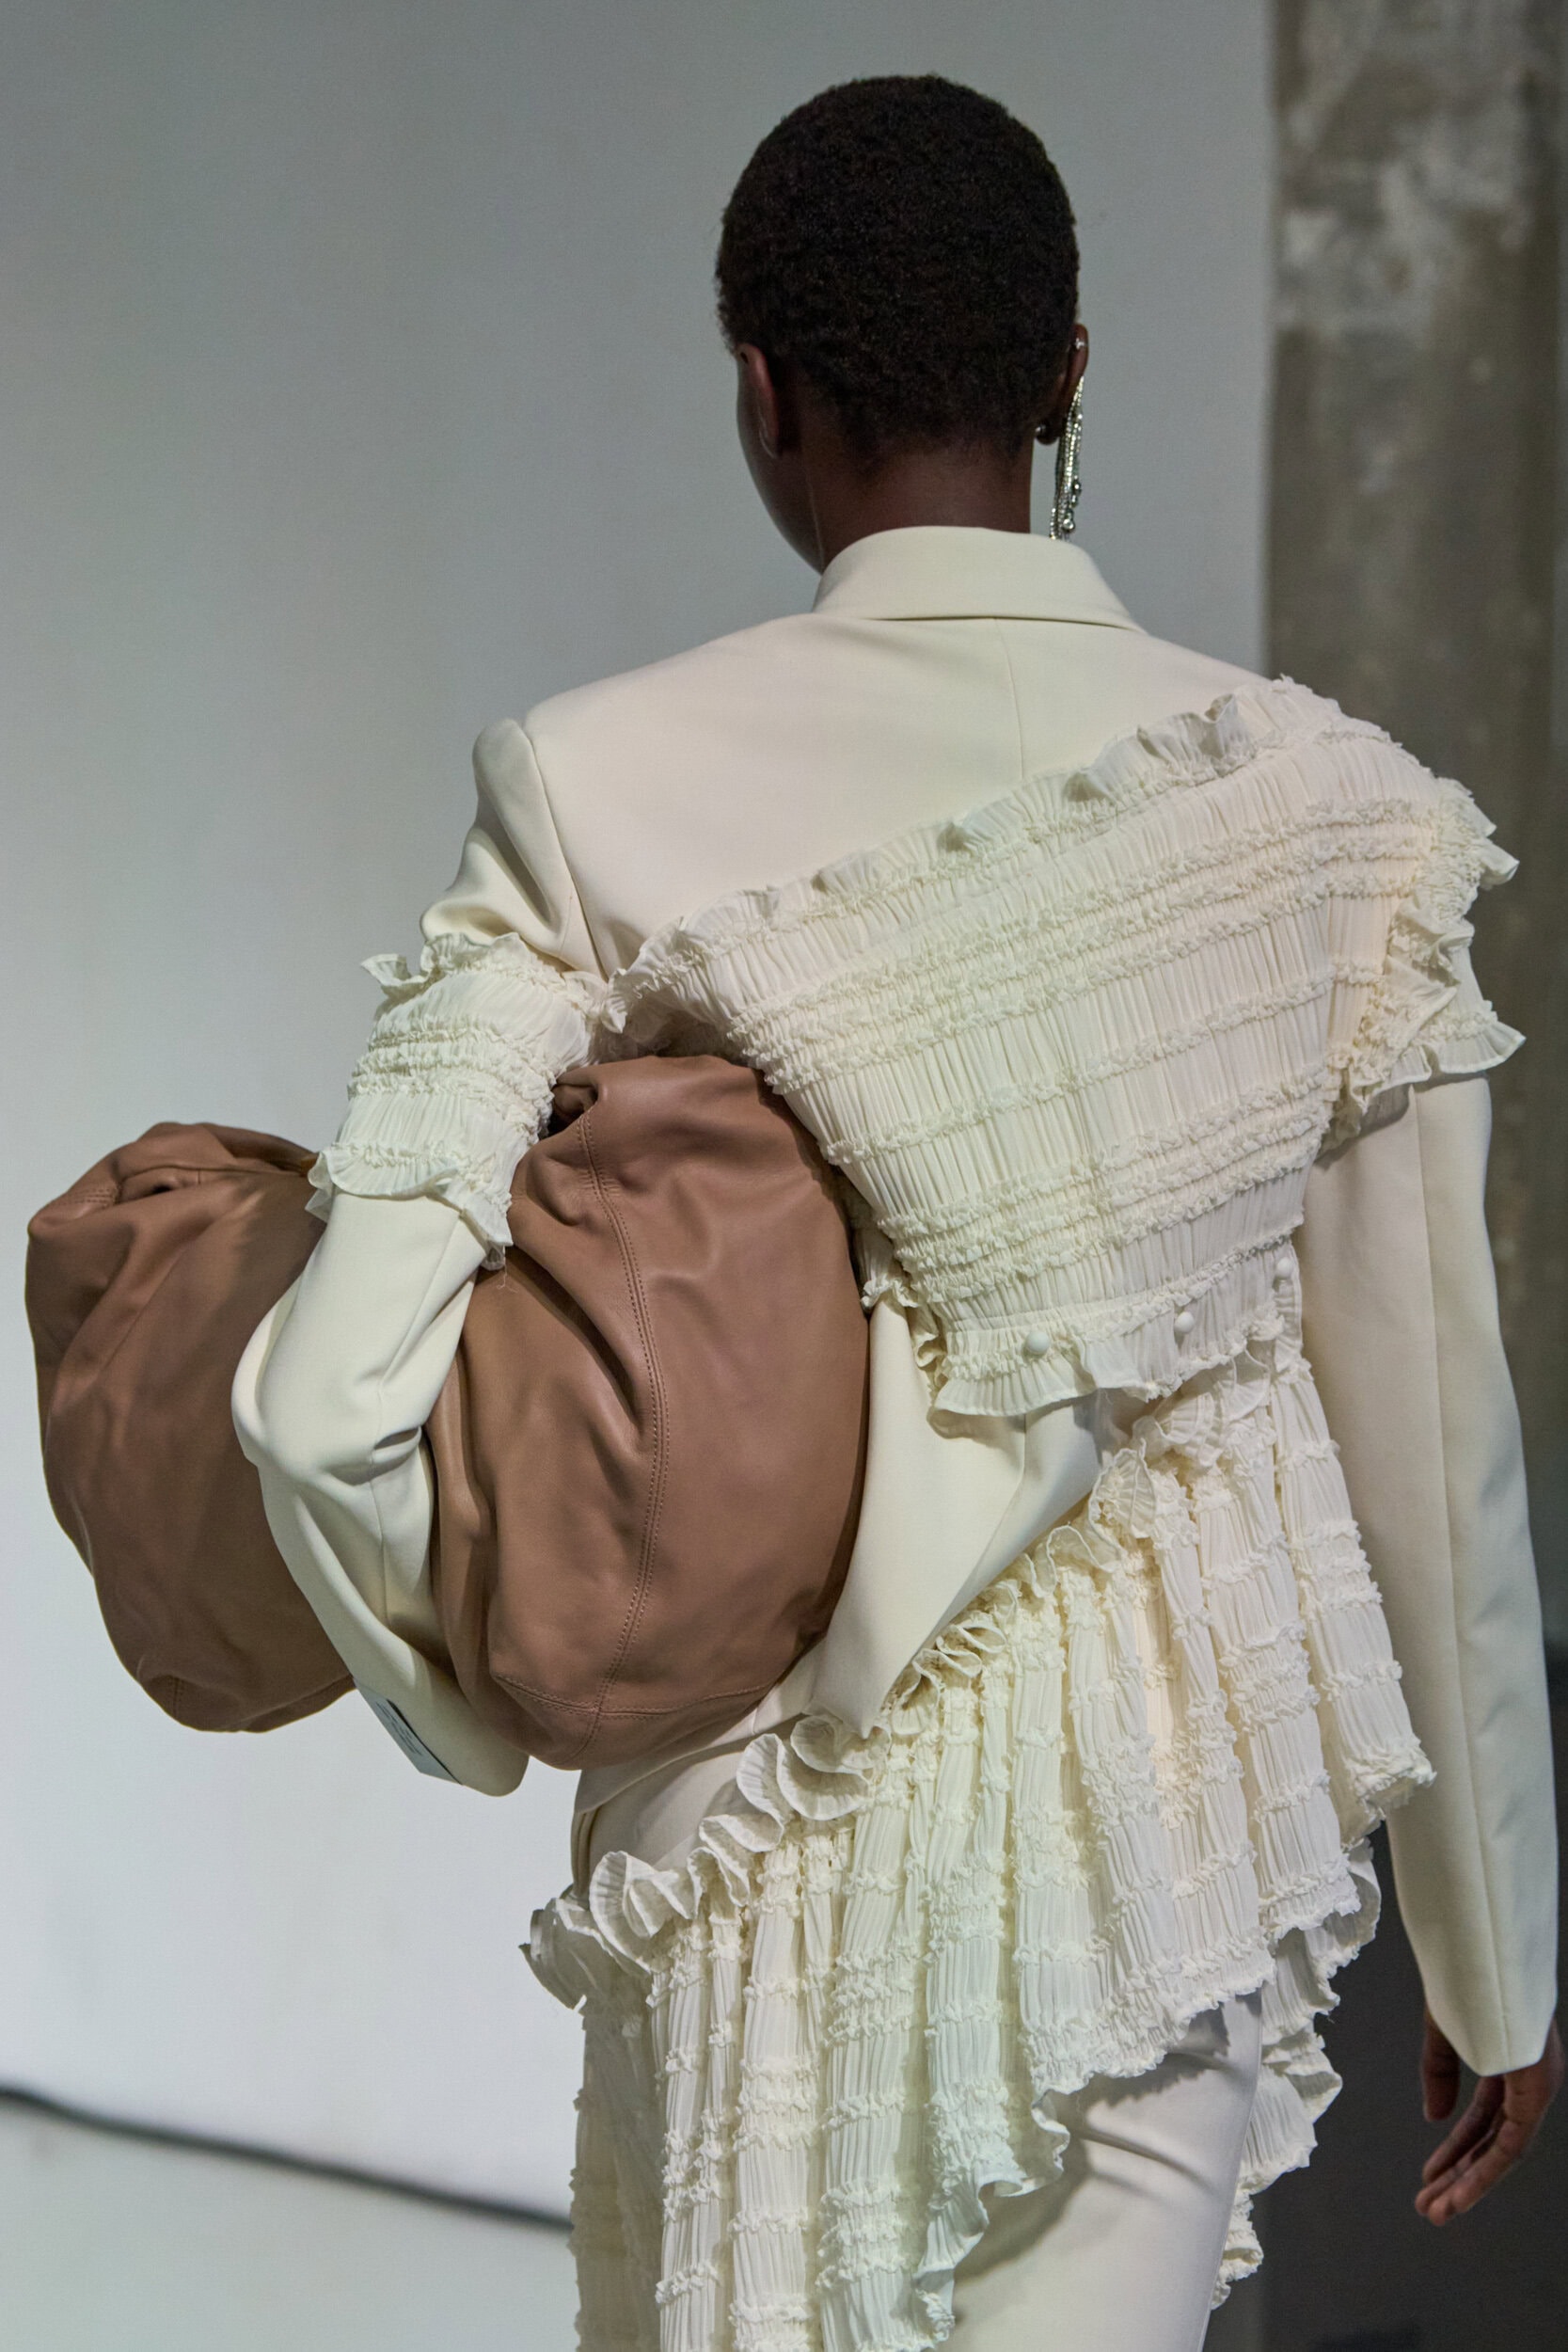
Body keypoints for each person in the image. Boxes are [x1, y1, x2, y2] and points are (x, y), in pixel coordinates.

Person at [233, 74, 1560, 2352]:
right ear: (1068, 378)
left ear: (765, 391)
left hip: (740, 1859)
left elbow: (318, 1409)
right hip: (1157, 1855)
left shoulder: (588, 787)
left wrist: (491, 1702)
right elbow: (1434, 1441)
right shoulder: (1340, 825)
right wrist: (1492, 1948)